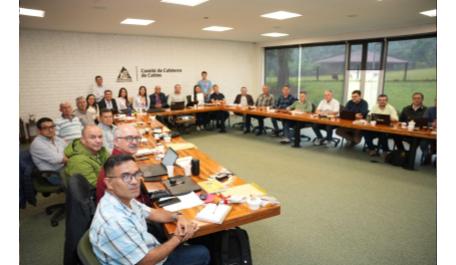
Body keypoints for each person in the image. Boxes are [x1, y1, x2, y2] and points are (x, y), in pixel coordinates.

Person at [90, 154, 210, 265]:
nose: (134, 181)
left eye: (137, 174)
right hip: (148, 261)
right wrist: (178, 238)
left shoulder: (122, 198)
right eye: (125, 177)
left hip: (146, 248)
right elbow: (144, 261)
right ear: (109, 183)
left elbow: (152, 212)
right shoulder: (115, 221)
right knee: (202, 252)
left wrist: (178, 216)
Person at [96, 124, 142, 203]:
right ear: (116, 142)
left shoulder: (119, 158)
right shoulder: (118, 166)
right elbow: (132, 203)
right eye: (129, 138)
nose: (135, 142)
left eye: (137, 138)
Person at [30, 117, 67, 185]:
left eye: (52, 127)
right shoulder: (37, 144)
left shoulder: (56, 139)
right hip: (54, 175)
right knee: (82, 175)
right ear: (39, 131)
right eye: (45, 128)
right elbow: (58, 159)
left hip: (64, 168)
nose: (50, 130)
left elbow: (69, 150)